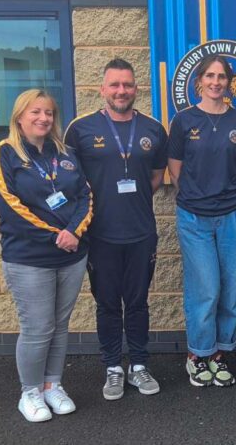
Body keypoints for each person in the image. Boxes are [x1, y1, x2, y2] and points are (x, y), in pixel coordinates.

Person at [0, 89, 93, 422]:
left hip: (71, 255)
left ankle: (52, 385)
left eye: (48, 113)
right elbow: (9, 206)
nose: (43, 118)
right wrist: (57, 236)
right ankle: (29, 392)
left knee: (59, 326)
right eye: (35, 112)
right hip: (29, 258)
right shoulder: (2, 154)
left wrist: (73, 232)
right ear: (19, 117)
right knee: (37, 328)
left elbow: (85, 196)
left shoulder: (66, 153)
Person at [65, 58, 166, 400]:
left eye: (127, 84)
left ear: (136, 88)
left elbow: (156, 177)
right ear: (102, 89)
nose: (121, 91)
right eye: (115, 85)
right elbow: (70, 180)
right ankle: (112, 368)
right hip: (100, 234)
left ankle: (138, 365)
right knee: (107, 304)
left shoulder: (153, 129)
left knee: (137, 303)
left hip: (141, 233)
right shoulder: (80, 129)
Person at [167, 54, 236, 387]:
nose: (216, 82)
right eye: (210, 76)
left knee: (230, 288)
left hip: (232, 214)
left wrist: (226, 191)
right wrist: (198, 193)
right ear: (199, 81)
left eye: (222, 77)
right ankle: (198, 354)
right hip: (194, 217)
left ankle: (220, 354)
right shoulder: (183, 120)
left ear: (229, 83)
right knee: (205, 287)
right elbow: (175, 168)